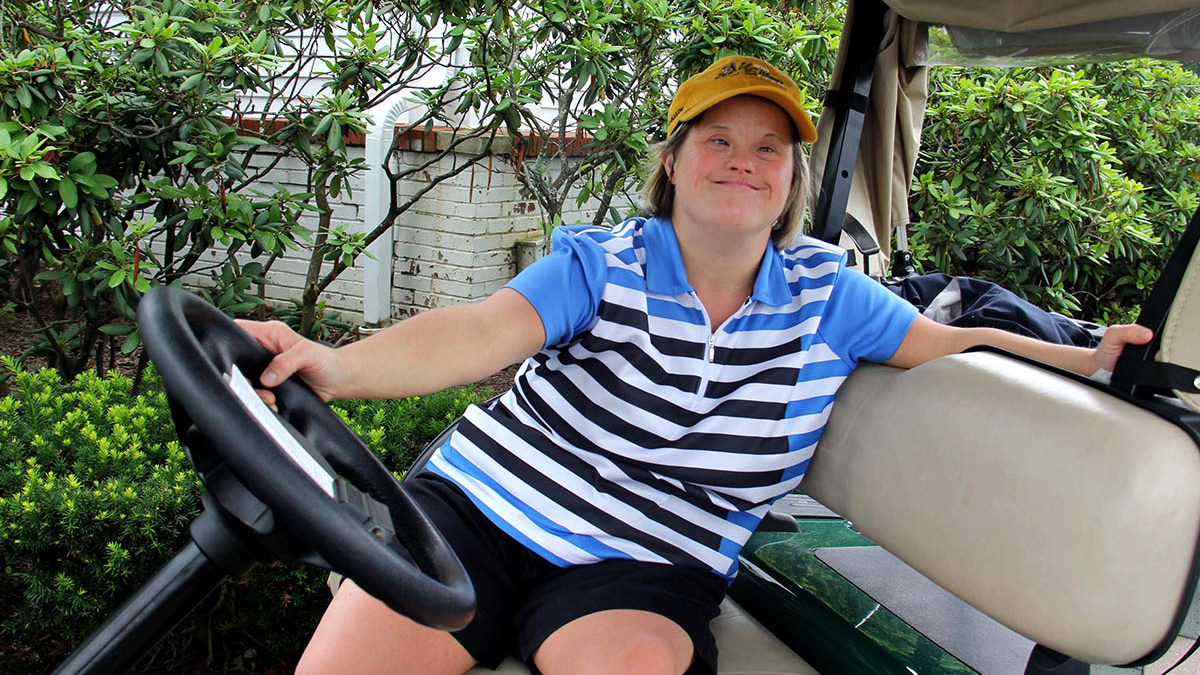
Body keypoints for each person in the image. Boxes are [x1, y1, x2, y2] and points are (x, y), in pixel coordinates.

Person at [239, 55, 1152, 675]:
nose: (742, 162)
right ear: (672, 161)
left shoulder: (829, 296)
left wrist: (1085, 355)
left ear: (792, 179)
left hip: (645, 559)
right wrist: (335, 365)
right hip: (478, 512)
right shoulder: (604, 263)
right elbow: (478, 330)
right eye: (717, 139)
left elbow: (956, 344)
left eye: (769, 148)